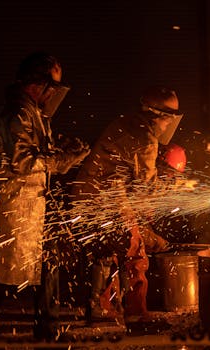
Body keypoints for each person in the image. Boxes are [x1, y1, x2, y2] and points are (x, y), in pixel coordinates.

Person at [0, 52, 90, 340]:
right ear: (38, 84)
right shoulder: (17, 114)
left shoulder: (33, 112)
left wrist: (63, 149)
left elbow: (39, 152)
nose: (54, 94)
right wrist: (64, 159)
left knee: (49, 263)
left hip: (31, 209)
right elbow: (23, 161)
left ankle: (48, 330)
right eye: (52, 86)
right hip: (11, 211)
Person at [70, 85, 193, 333]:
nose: (169, 124)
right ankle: (117, 312)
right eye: (169, 118)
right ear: (160, 116)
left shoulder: (128, 123)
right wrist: (175, 186)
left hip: (98, 197)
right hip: (104, 201)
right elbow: (145, 189)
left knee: (117, 250)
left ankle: (109, 309)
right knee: (130, 253)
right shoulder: (145, 138)